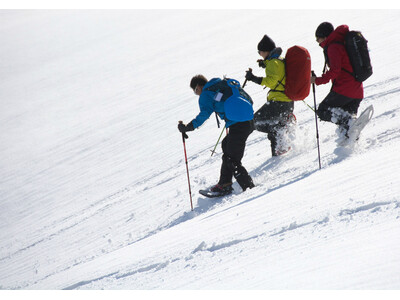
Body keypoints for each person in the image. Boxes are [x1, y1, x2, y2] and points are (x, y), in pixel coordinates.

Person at [178, 74, 255, 197]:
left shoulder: (206, 94)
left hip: (238, 125)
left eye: (195, 91)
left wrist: (188, 127)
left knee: (232, 159)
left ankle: (249, 188)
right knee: (226, 145)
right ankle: (224, 184)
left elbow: (204, 114)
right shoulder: (222, 84)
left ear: (198, 86)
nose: (196, 93)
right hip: (249, 121)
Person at [311, 22, 364, 140]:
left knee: (323, 110)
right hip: (357, 90)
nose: (318, 42)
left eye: (317, 39)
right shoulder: (341, 42)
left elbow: (335, 71)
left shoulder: (333, 47)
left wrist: (317, 80)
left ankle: (348, 121)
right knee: (349, 130)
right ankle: (350, 145)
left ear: (324, 37)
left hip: (344, 89)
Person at [245, 34, 295, 157]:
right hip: (287, 102)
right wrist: (265, 64)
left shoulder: (273, 62)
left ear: (266, 50)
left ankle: (281, 128)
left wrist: (254, 78)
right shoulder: (279, 59)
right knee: (272, 125)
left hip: (278, 102)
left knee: (254, 122)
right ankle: (279, 151)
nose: (259, 54)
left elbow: (272, 81)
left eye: (260, 51)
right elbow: (278, 73)